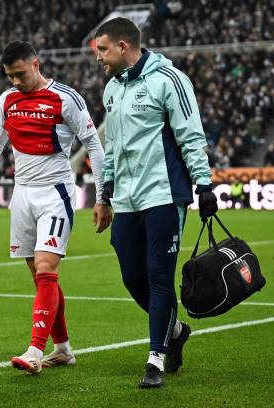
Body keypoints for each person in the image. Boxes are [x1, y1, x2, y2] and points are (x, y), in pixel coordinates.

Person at [0, 41, 111, 374]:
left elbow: (93, 146)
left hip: (56, 194)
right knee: (40, 277)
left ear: (35, 65)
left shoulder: (65, 98)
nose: (15, 82)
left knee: (45, 268)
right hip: (22, 195)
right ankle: (63, 348)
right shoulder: (7, 100)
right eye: (10, 76)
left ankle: (35, 351)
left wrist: (102, 196)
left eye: (20, 74)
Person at [94, 18, 218, 388]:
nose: (98, 57)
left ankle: (156, 360)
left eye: (102, 49)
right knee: (132, 277)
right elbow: (112, 146)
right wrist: (105, 191)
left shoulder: (170, 79)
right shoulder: (112, 89)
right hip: (126, 198)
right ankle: (176, 330)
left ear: (122, 47)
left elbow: (190, 135)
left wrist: (204, 184)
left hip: (164, 193)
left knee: (159, 275)